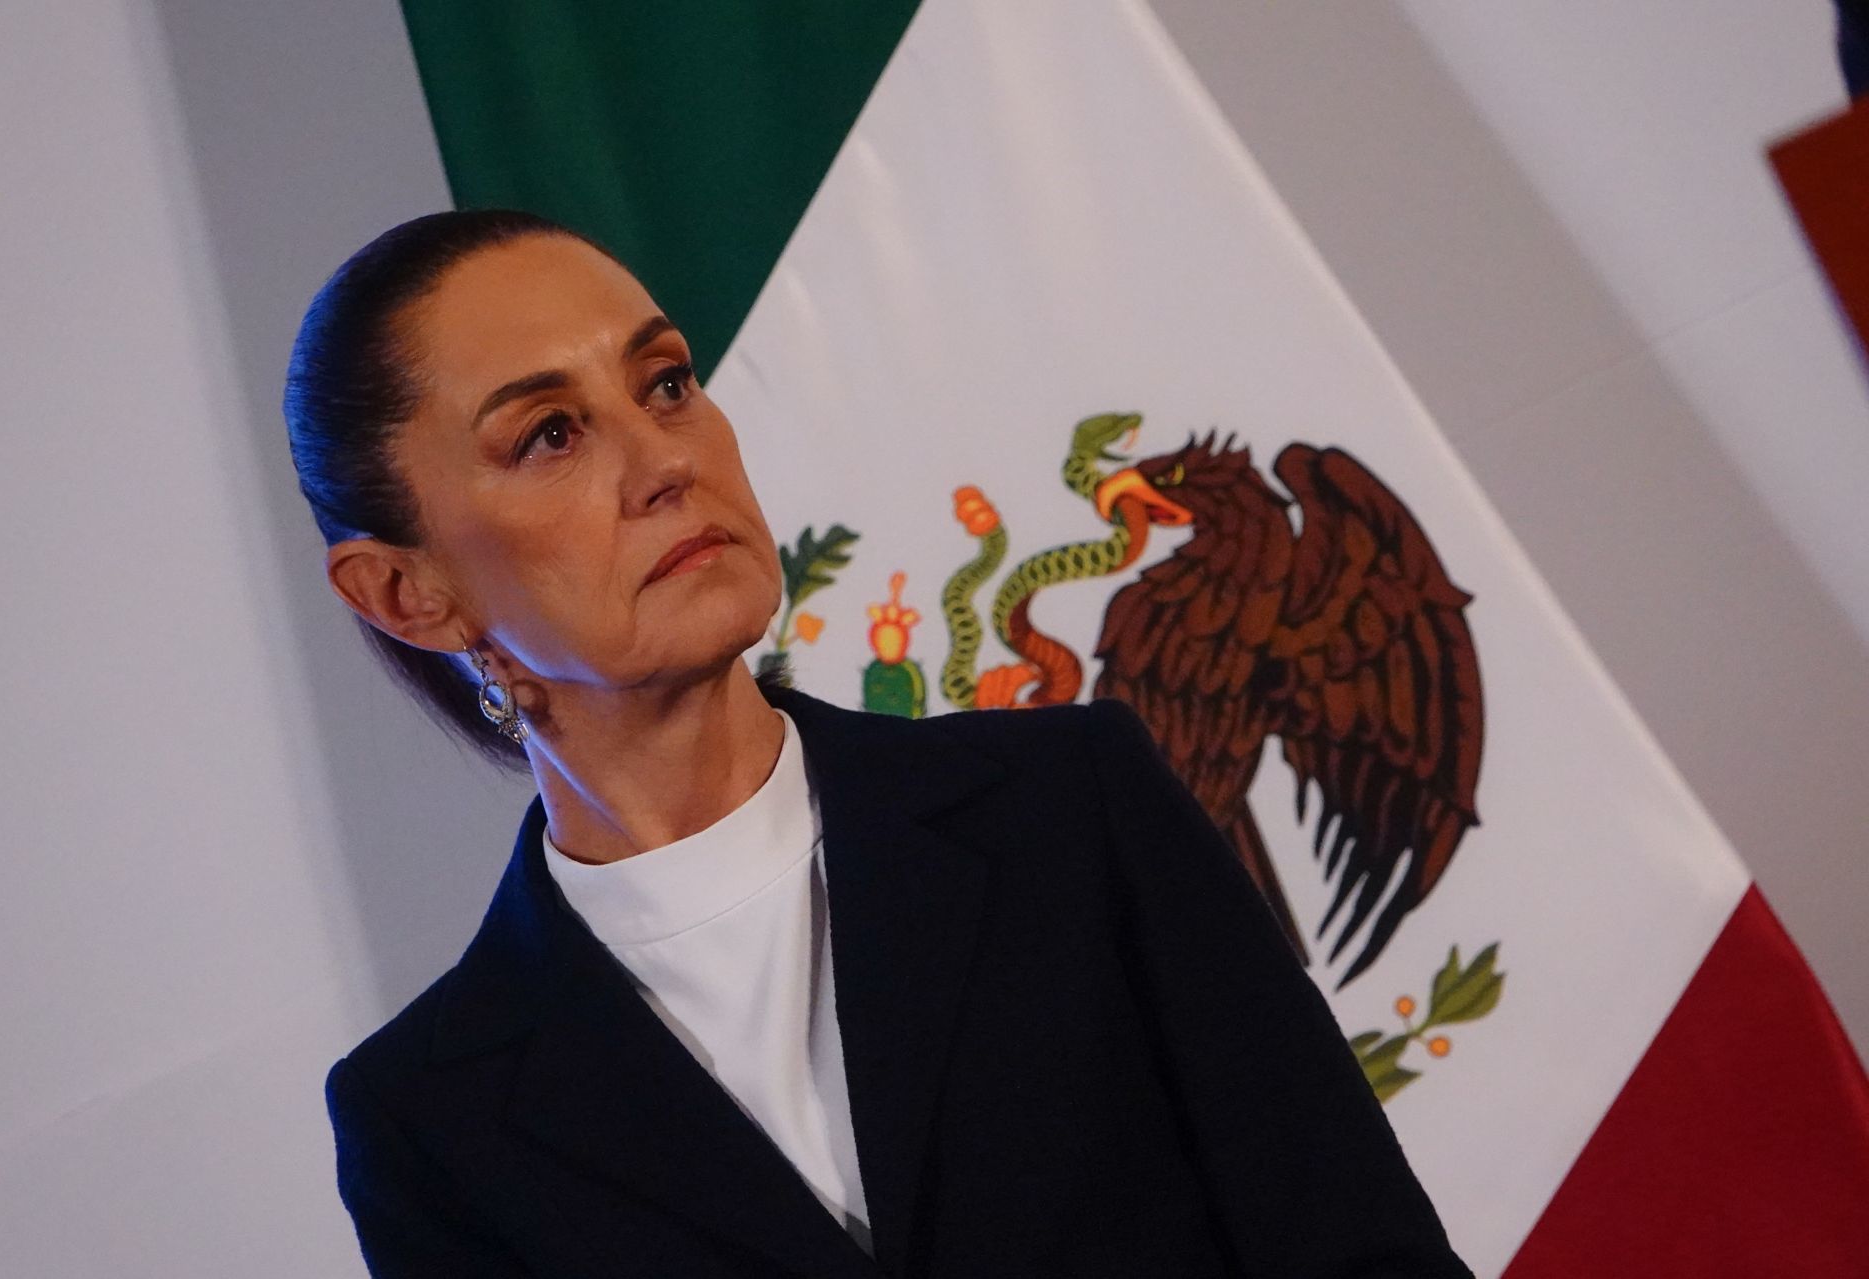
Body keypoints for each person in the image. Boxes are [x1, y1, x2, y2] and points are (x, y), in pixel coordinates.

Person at [285, 209, 1472, 1277]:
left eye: (665, 383)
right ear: (406, 592)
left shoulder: (1073, 807)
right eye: (550, 433)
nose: (667, 461)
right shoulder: (429, 1122)